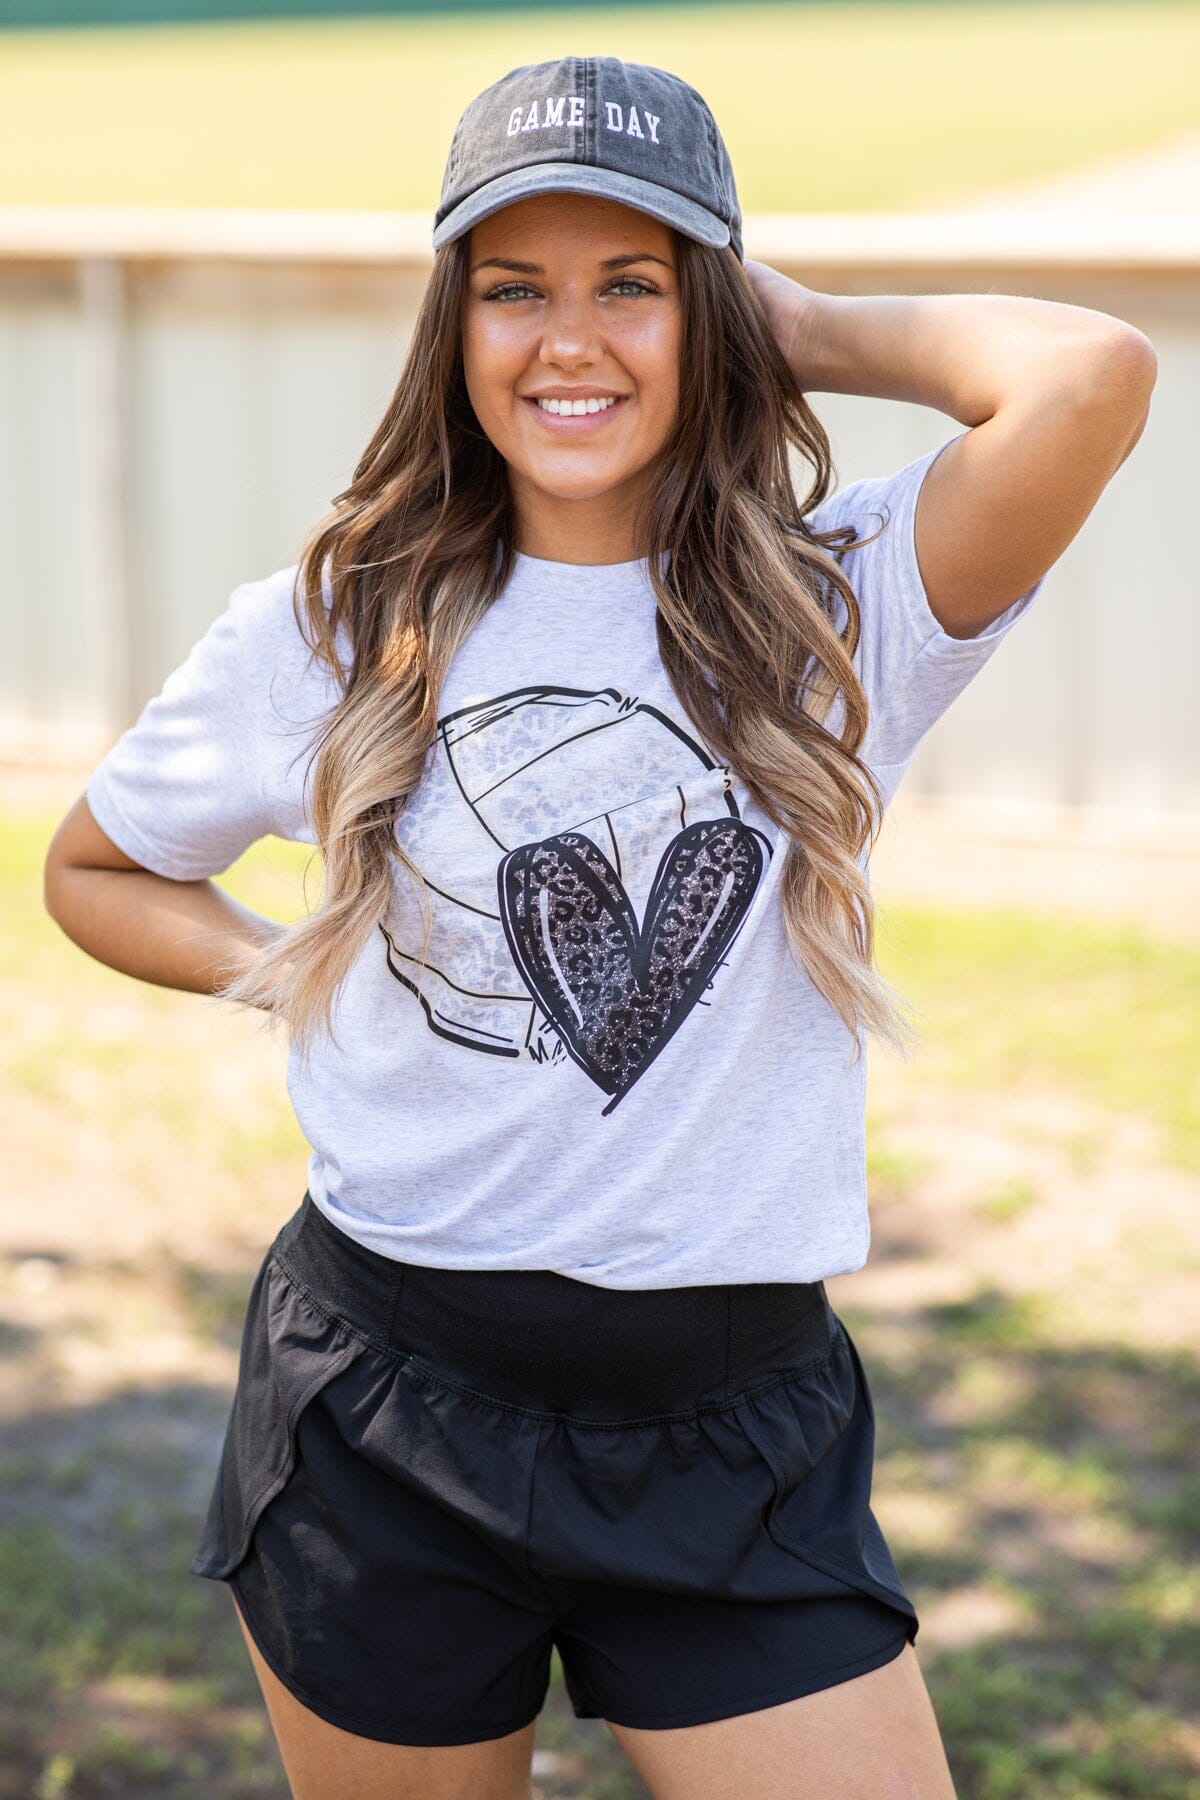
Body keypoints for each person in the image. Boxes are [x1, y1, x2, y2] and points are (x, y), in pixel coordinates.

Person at [44, 54, 1155, 1800]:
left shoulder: (836, 601)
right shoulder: (329, 625)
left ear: (713, 313)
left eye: (632, 284)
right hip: (383, 1407)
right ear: (453, 326)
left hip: (730, 1431)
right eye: (517, 290)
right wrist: (293, 978)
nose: (570, 340)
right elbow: (97, 869)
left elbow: (1091, 376)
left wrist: (808, 326)